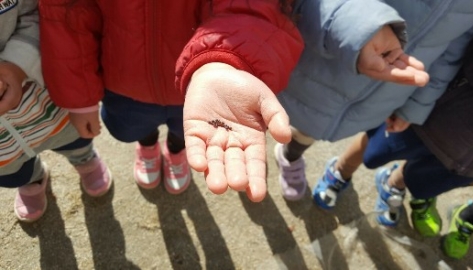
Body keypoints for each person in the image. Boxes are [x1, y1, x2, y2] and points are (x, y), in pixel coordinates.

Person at [38, 0, 304, 202]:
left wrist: (227, 58)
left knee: (186, 132)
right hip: (123, 82)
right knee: (135, 127)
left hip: (195, 85)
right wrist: (79, 97)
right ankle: (148, 146)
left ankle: (176, 151)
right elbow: (65, 11)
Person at [273, 0, 473, 202]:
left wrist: (415, 106)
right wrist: (355, 28)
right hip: (321, 57)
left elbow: (452, 52)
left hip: (383, 91)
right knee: (274, 110)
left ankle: (290, 154)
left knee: (313, 127)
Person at [358, 30, 473, 259]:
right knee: (376, 151)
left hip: (469, 159)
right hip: (441, 118)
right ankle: (361, 175)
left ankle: (409, 188)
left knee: (432, 178)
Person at [0, 0, 111, 222]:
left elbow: (41, 13)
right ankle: (31, 180)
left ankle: (84, 158)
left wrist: (17, 65)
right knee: (14, 170)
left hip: (43, 98)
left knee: (73, 137)